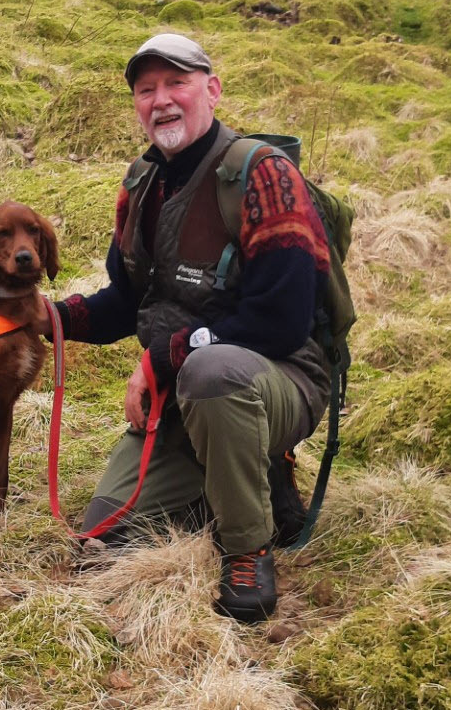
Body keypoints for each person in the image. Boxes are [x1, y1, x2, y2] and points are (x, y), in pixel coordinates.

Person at [38, 32, 332, 623]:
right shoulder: (141, 184)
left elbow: (281, 319)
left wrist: (162, 358)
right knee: (109, 533)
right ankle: (247, 472)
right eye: (147, 90)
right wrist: (48, 317)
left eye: (177, 83)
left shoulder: (262, 175)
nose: (162, 100)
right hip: (184, 392)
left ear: (212, 90)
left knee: (212, 371)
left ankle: (247, 549)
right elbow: (127, 301)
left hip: (278, 379)